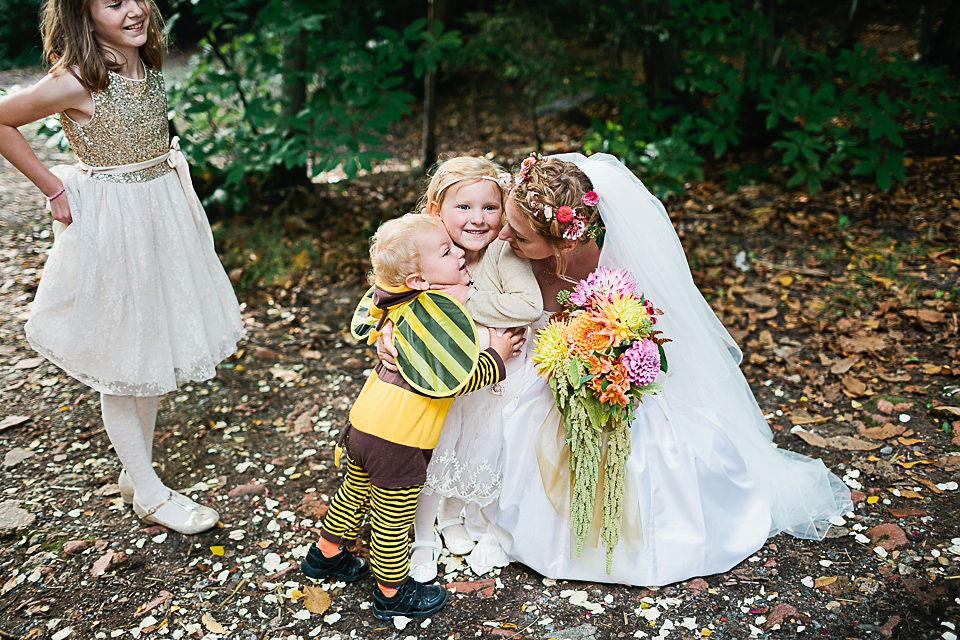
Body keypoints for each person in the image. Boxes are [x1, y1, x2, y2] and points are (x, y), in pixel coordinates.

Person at [491, 152, 853, 585]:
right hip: (530, 362)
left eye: (520, 235)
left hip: (607, 375)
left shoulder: (621, 265)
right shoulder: (507, 251)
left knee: (641, 452)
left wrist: (599, 365)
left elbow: (645, 343)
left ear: (566, 242)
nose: (503, 234)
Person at [0, 0, 243, 534]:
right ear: (83, 15)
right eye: (113, 3)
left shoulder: (144, 60)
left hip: (160, 215)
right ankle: (150, 494)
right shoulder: (77, 80)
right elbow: (2, 120)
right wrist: (53, 185)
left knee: (151, 341)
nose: (134, 10)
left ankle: (139, 473)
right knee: (122, 356)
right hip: (114, 225)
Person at [299, 213, 523, 620]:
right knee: (391, 521)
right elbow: (454, 377)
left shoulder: (394, 299)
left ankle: (324, 556)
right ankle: (391, 594)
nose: (457, 252)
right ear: (419, 280)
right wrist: (499, 358)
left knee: (353, 494)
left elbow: (369, 311)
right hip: (399, 439)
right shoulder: (434, 313)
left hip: (365, 423)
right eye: (445, 251)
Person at [405, 157, 543, 582]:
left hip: (499, 375)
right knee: (439, 450)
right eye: (464, 207)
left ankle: (472, 520)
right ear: (436, 210)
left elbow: (529, 305)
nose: (477, 219)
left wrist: (460, 299)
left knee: (487, 447)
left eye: (489, 208)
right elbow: (394, 294)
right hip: (445, 376)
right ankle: (424, 534)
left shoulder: (503, 252)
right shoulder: (423, 245)